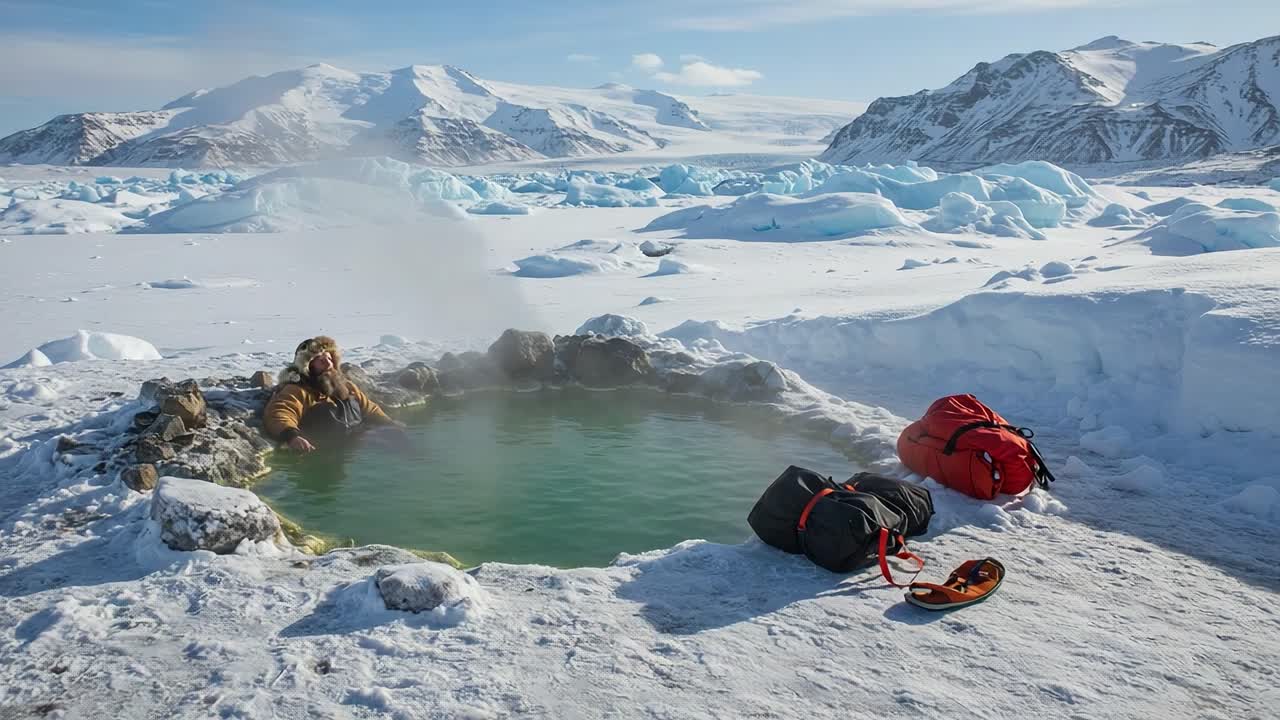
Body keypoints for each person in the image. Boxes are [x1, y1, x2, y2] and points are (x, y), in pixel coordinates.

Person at [264, 336, 398, 453]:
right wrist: (292, 436)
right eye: (321, 360)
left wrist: (389, 425)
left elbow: (370, 409)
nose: (328, 364)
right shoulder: (298, 390)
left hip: (354, 450)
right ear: (307, 366)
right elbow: (279, 413)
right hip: (318, 452)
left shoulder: (346, 387)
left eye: (329, 359)